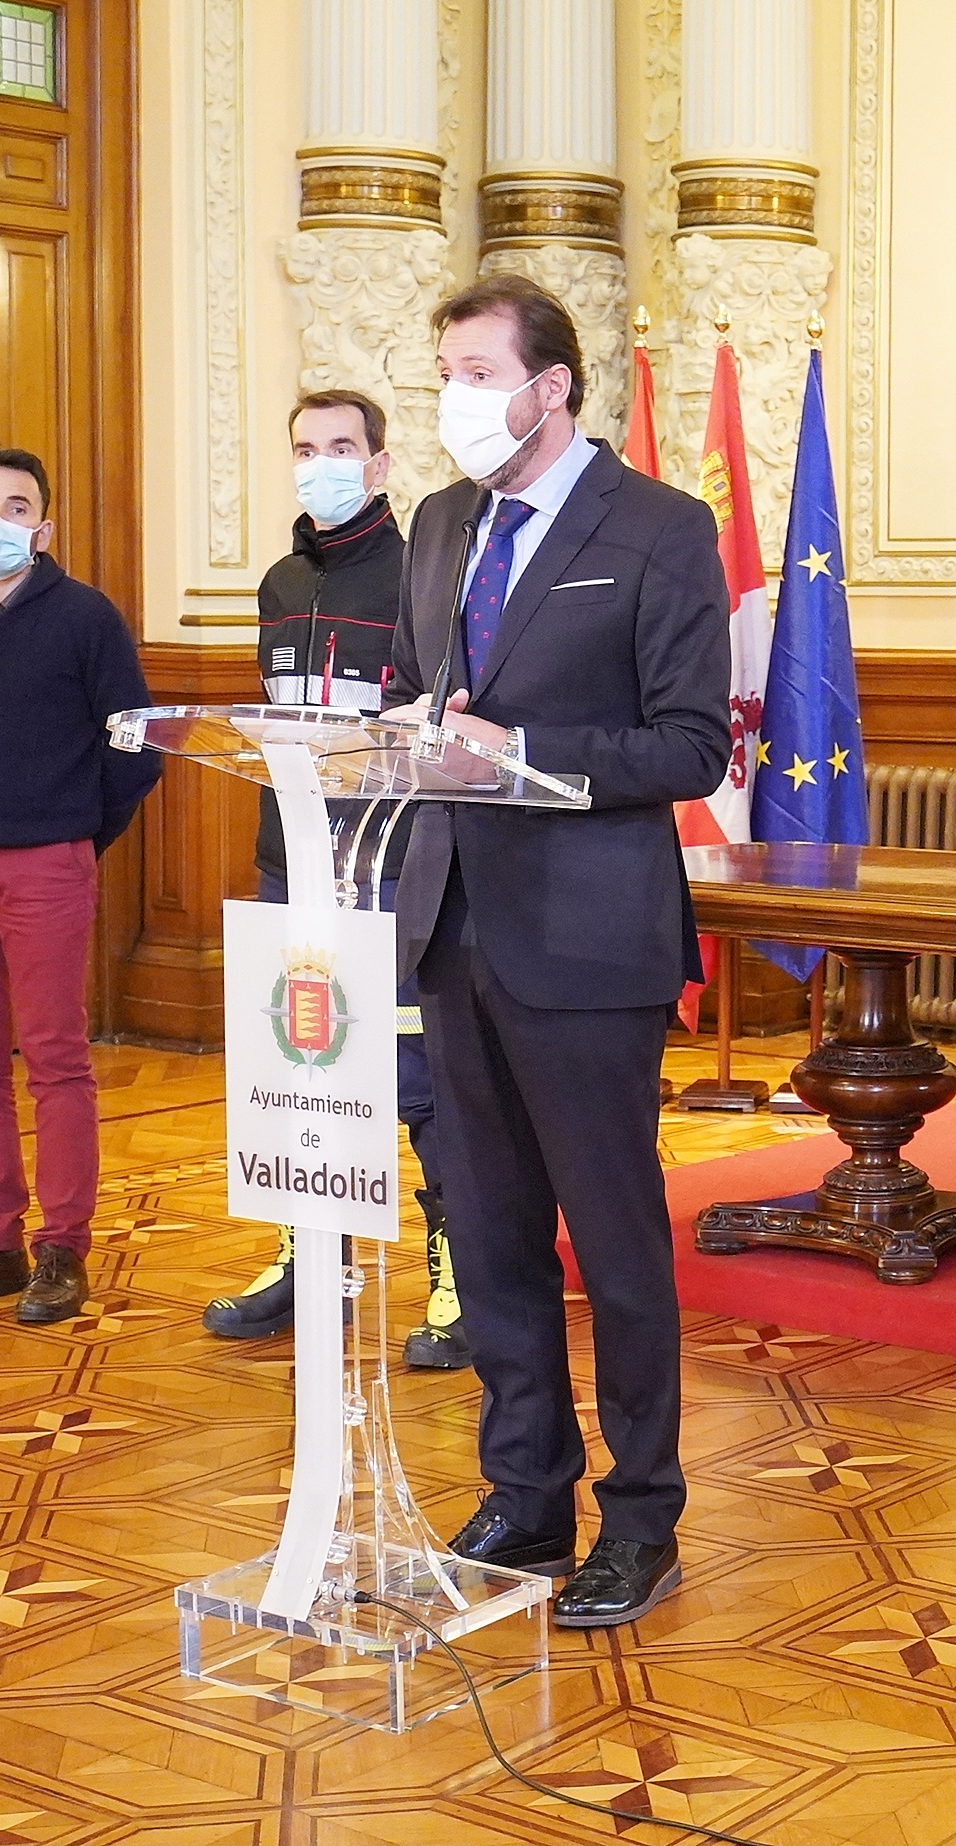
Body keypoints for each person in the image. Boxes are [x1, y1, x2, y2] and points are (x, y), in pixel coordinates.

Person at [383, 273, 729, 1629]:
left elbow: (688, 746)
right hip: (450, 924)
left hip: (586, 942)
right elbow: (430, 695)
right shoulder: (437, 522)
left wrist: (519, 751)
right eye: (446, 375)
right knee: (490, 1234)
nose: (455, 399)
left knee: (616, 1244)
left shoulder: (659, 528)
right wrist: (410, 734)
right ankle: (526, 1492)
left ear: (551, 388)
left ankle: (642, 1519)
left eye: (477, 374)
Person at [198, 388, 468, 1372]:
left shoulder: (421, 575)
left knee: (414, 1073)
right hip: (293, 864)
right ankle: (310, 1257)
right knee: (300, 1066)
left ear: (380, 463)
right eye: (306, 448)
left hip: (391, 866)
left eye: (342, 447)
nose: (322, 464)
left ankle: (459, 1269)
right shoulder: (278, 582)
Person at [0, 449, 160, 1324]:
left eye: (16, 507)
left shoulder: (87, 617)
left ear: (42, 530)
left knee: (55, 1057)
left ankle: (62, 1248)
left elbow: (134, 746)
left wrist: (75, 832)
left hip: (47, 860)